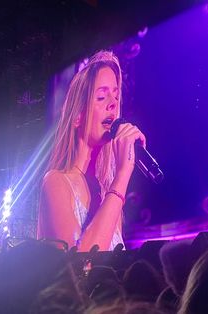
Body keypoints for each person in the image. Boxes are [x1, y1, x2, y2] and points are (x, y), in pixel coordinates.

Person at [37, 50, 146, 252]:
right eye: (102, 96)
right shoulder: (56, 182)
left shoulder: (107, 192)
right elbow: (81, 265)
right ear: (78, 116)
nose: (113, 104)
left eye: (115, 96)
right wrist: (122, 175)